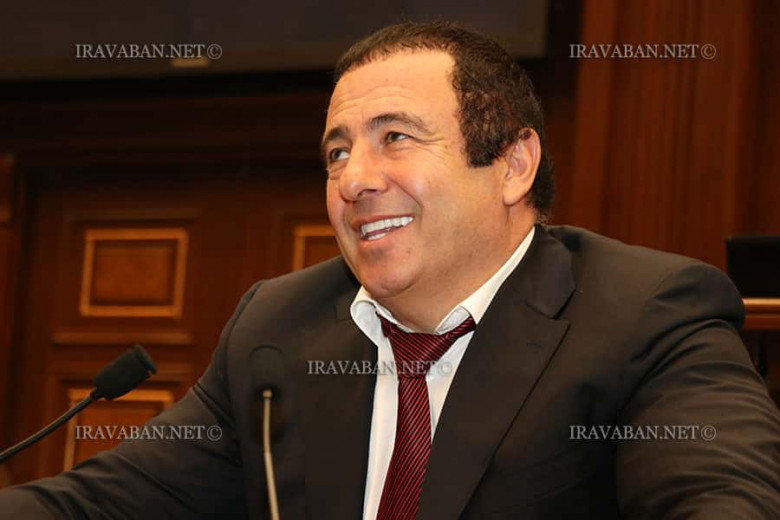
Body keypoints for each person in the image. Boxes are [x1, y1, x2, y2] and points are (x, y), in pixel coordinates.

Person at [1, 21, 778, 520]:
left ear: (512, 165)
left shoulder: (646, 314)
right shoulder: (279, 327)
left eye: (395, 137)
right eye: (337, 151)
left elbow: (723, 503)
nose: (354, 180)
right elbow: (101, 505)